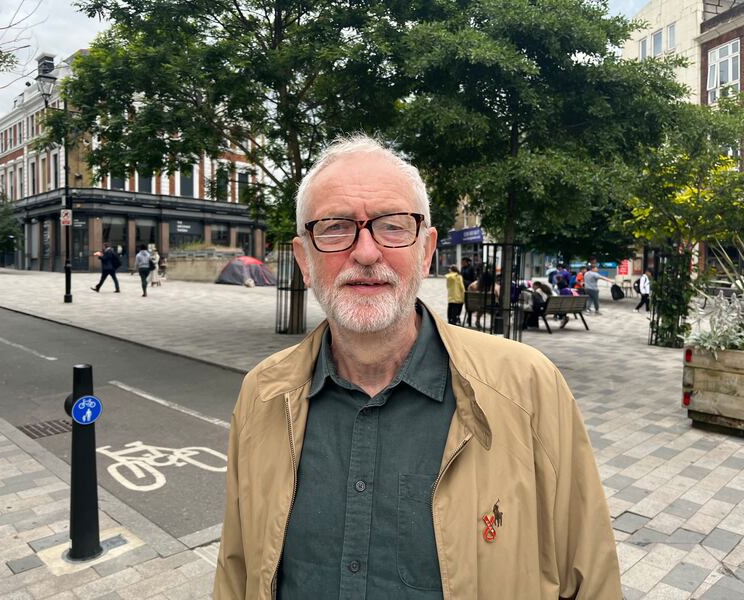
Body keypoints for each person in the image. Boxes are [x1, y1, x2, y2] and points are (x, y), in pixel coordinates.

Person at [214, 135, 621, 599]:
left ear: (426, 250)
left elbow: (590, 578)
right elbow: (237, 571)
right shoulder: (261, 394)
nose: (366, 253)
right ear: (304, 259)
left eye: (391, 226)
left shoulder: (529, 387)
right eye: (334, 227)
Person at [460, 257, 476, 326]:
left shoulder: (471, 268)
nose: (461, 263)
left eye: (463, 262)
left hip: (469, 288)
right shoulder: (462, 268)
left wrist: (465, 282)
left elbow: (474, 279)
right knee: (463, 304)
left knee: (469, 304)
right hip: (462, 288)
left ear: (466, 262)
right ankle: (465, 318)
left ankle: (469, 320)